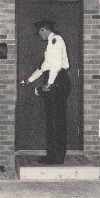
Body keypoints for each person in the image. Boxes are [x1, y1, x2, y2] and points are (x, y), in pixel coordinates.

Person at [23, 20, 71, 164]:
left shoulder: (56, 40)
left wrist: (49, 84)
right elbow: (44, 66)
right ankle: (52, 154)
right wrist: (29, 80)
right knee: (52, 120)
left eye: (40, 33)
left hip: (57, 81)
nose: (40, 36)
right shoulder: (51, 44)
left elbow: (56, 65)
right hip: (54, 81)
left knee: (56, 120)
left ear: (44, 30)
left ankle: (56, 157)